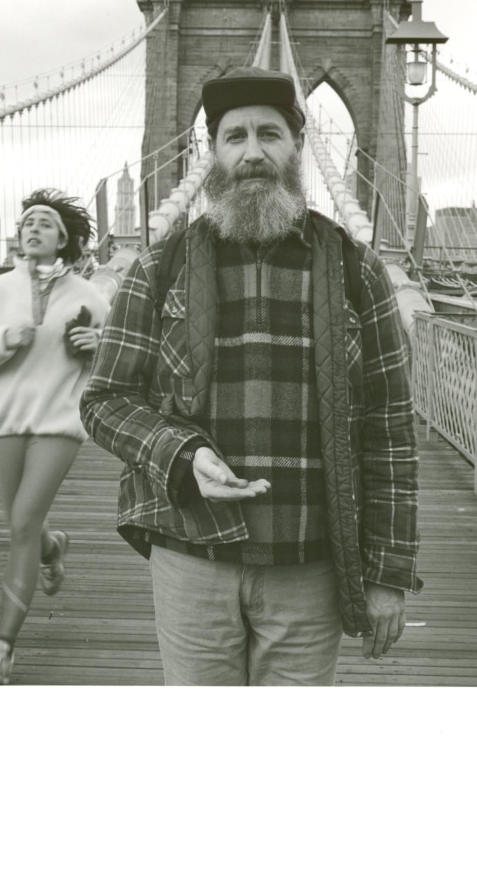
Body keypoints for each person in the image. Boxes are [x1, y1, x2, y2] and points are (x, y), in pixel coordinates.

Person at [80, 67, 421, 686]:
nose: (253, 152)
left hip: (310, 560)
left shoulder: (357, 269)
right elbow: (104, 400)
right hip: (191, 553)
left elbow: (391, 428)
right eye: (234, 137)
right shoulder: (159, 268)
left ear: (297, 150)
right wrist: (179, 454)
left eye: (271, 134)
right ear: (212, 155)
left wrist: (389, 572)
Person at [0, 188, 110, 684]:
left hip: (59, 422)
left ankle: (2, 649)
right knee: (21, 523)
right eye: (27, 223)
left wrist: (96, 346)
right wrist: (1, 340)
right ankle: (53, 547)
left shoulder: (90, 297)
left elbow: (122, 359)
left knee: (20, 524)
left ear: (65, 238)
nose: (33, 228)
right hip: (4, 421)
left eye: (45, 223)